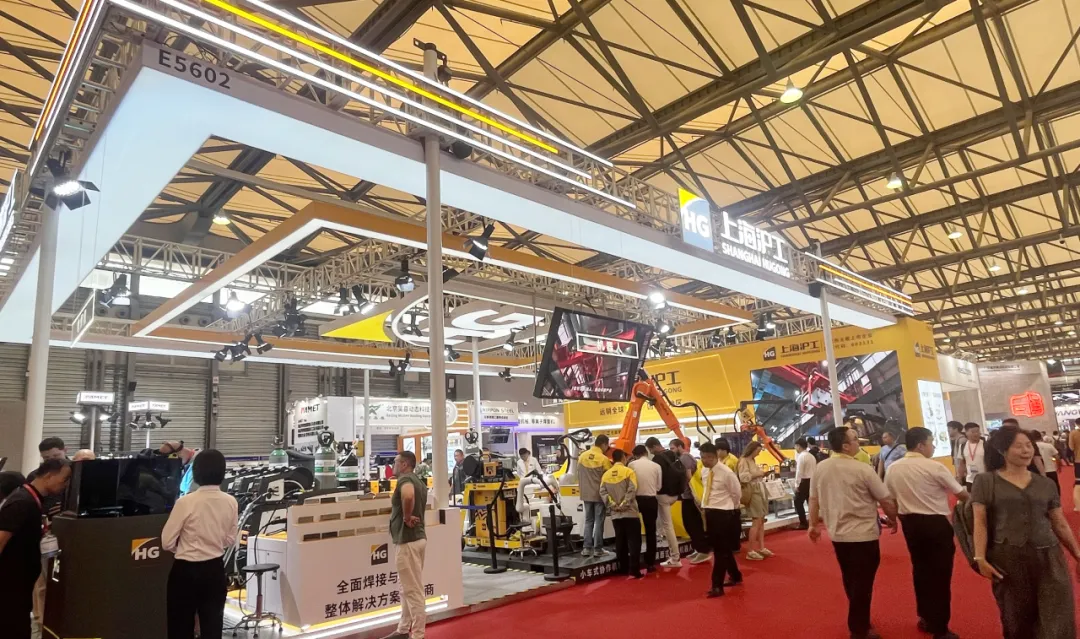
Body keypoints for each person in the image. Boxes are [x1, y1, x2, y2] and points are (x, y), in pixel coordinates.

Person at [972, 427, 1080, 639]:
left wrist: (1077, 553)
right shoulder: (985, 481)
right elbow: (980, 522)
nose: (1026, 451)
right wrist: (980, 558)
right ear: (1003, 450)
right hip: (1008, 557)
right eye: (1019, 446)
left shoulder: (1046, 484)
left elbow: (1059, 523)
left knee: (1058, 612)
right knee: (1017, 617)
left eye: (1029, 445)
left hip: (1049, 555)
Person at [809, 426, 898, 639]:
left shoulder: (821, 468)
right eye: (855, 439)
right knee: (863, 583)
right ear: (846, 446)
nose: (859, 442)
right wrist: (893, 518)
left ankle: (860, 620)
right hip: (863, 534)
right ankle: (858, 628)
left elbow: (813, 498)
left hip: (837, 534)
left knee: (851, 578)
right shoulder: (862, 469)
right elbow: (885, 499)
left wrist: (813, 525)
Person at [885, 427, 968, 639]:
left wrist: (893, 519)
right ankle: (940, 627)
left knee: (920, 571)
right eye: (931, 442)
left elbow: (890, 499)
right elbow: (961, 494)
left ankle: (925, 617)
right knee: (940, 575)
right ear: (921, 445)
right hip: (935, 524)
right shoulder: (934, 467)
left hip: (910, 525)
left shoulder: (893, 468)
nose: (933, 446)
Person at [162, 450, 237, 639]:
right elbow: (230, 539)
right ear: (222, 472)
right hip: (215, 570)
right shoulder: (231, 502)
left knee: (180, 627)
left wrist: (184, 548)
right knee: (213, 627)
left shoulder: (185, 502)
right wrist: (212, 543)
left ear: (196, 472)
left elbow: (166, 541)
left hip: (185, 571)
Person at [0, 458, 71, 639]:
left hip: (19, 584)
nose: (66, 485)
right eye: (64, 479)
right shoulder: (22, 502)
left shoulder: (32, 499)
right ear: (49, 476)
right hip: (9, 585)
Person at [386, 451, 428, 639]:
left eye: (396, 462)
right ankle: (403, 629)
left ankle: (418, 635)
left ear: (404, 464)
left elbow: (408, 496)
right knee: (406, 588)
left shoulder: (405, 480)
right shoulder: (419, 481)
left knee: (413, 591)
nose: (393, 465)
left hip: (408, 541)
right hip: (416, 539)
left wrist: (406, 517)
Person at [698, 443, 742, 598]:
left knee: (720, 551)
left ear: (715, 456)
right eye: (703, 457)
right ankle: (735, 575)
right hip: (710, 512)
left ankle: (717, 585)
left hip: (724, 513)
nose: (705, 460)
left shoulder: (726, 472)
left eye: (709, 457)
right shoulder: (704, 471)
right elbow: (706, 490)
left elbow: (736, 493)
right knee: (722, 548)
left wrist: (732, 509)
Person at [600, 449, 640, 578]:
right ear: (623, 458)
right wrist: (625, 504)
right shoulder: (629, 472)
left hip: (615, 514)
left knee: (620, 540)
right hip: (630, 512)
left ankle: (623, 569)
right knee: (634, 541)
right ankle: (634, 570)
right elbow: (632, 489)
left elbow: (603, 492)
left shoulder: (606, 475)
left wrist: (613, 505)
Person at [645, 437, 683, 568]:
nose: (651, 452)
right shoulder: (672, 454)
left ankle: (675, 558)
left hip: (663, 495)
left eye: (650, 449)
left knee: (668, 526)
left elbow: (656, 480)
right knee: (664, 525)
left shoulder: (657, 459)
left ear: (654, 446)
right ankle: (673, 555)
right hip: (675, 494)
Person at [670, 438, 709, 564]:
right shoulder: (684, 458)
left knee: (693, 525)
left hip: (691, 497)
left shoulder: (685, 458)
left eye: (673, 448)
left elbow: (688, 476)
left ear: (679, 446)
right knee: (690, 524)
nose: (671, 451)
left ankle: (703, 551)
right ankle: (699, 548)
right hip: (687, 496)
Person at [578, 435, 612, 558]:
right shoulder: (604, 459)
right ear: (604, 444)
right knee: (599, 521)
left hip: (586, 495)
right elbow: (608, 479)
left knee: (588, 520)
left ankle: (586, 548)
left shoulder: (582, 457)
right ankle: (598, 549)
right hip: (599, 496)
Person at [628, 445, 661, 572]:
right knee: (651, 531)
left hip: (635, 500)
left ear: (635, 455)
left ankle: (635, 564)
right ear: (646, 453)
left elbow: (629, 484)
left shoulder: (631, 465)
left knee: (634, 533)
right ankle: (650, 563)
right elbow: (658, 486)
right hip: (651, 499)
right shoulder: (656, 466)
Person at [737, 440, 770, 561]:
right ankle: (750, 550)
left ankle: (761, 547)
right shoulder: (743, 461)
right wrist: (758, 474)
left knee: (761, 520)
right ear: (752, 449)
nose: (759, 453)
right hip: (753, 491)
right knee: (756, 520)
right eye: (758, 451)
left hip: (758, 489)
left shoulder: (751, 460)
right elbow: (743, 478)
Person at [793, 437, 816, 529]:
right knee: (810, 502)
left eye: (795, 446)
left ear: (798, 446)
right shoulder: (811, 456)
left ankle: (803, 523)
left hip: (804, 481)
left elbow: (799, 472)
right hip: (812, 481)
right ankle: (813, 522)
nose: (795, 448)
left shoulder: (801, 456)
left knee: (797, 502)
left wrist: (797, 484)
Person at [957, 423, 985, 489]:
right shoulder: (963, 446)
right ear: (966, 433)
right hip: (970, 479)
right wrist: (959, 478)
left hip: (985, 479)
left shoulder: (986, 445)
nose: (976, 434)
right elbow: (962, 464)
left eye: (977, 431)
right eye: (973, 432)